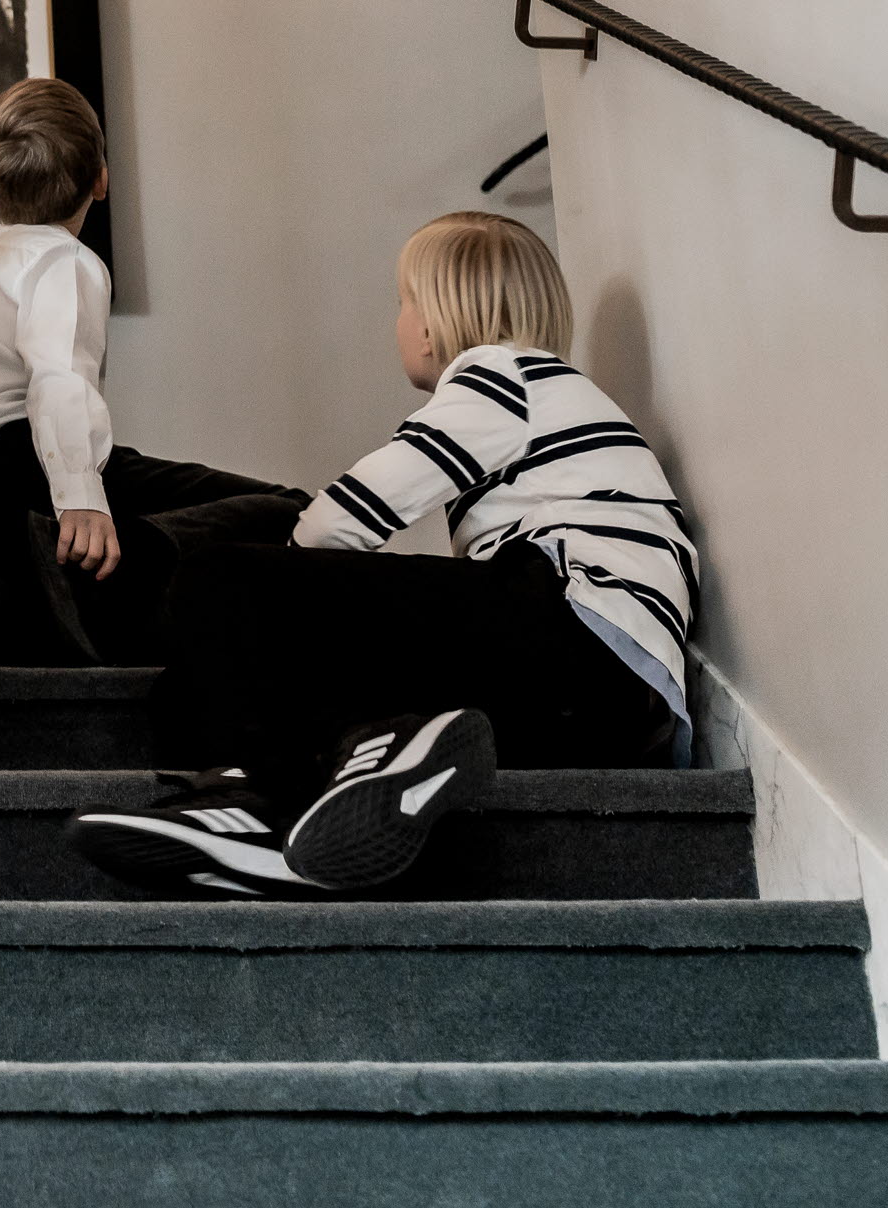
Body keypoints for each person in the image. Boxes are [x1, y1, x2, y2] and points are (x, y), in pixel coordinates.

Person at [71, 211, 696, 899]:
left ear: (432, 320)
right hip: (598, 716)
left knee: (221, 579)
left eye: (402, 302)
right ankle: (319, 783)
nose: (397, 321)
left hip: (576, 639)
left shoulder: (500, 373)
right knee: (238, 666)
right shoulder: (555, 399)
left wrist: (272, 592)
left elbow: (342, 519)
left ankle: (249, 801)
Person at [0, 78, 305, 663]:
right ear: (101, 178)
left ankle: (85, 590)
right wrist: (80, 495)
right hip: (27, 473)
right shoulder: (64, 258)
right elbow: (58, 375)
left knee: (149, 506)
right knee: (287, 509)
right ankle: (107, 573)